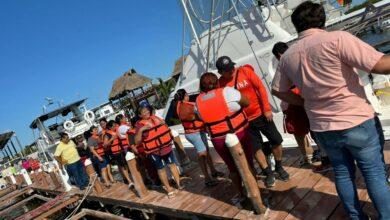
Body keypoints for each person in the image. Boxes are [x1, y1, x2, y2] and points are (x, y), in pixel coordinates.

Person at [271, 1, 390, 219]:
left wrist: (303, 102)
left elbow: (277, 90)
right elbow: (381, 65)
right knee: (373, 173)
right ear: (322, 20)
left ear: (297, 26)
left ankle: (356, 217)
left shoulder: (287, 57)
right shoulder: (338, 39)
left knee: (343, 174)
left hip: (322, 128)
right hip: (356, 120)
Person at [217, 55, 289, 188]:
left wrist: (267, 109)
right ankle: (268, 173)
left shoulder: (245, 71)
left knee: (276, 140)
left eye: (232, 66)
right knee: (256, 148)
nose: (232, 70)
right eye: (227, 69)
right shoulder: (220, 84)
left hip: (261, 114)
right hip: (244, 122)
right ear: (221, 72)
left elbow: (261, 88)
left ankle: (279, 166)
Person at [196, 72, 255, 204]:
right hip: (239, 133)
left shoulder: (198, 102)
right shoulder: (227, 91)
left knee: (232, 168)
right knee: (248, 163)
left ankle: (241, 195)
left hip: (218, 139)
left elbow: (200, 117)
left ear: (201, 86)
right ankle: (255, 192)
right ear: (217, 82)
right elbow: (247, 102)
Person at [272, 42, 314, 165]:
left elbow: (276, 89)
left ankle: (308, 156)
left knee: (298, 131)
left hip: (293, 101)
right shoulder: (299, 60)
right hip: (306, 96)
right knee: (313, 127)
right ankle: (314, 154)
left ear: (278, 55)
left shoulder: (283, 65)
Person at [174, 89, 223, 187]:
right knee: (202, 155)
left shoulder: (179, 106)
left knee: (206, 152)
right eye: (187, 94)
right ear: (185, 96)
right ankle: (207, 179)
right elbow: (198, 116)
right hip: (194, 134)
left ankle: (213, 171)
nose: (188, 96)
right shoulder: (188, 106)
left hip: (197, 132)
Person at [135, 105, 182, 198]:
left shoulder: (156, 118)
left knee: (172, 164)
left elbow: (165, 127)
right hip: (154, 151)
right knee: (161, 169)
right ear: (140, 115)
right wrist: (141, 130)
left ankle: (179, 184)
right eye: (143, 112)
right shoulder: (140, 125)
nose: (146, 112)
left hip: (166, 146)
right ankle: (168, 189)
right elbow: (136, 141)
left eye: (147, 110)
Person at [104, 120, 134, 189]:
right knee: (123, 166)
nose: (115, 127)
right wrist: (111, 139)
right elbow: (105, 145)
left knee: (124, 166)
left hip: (122, 150)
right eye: (114, 126)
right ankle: (129, 181)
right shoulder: (107, 135)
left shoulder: (116, 131)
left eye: (115, 125)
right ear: (110, 127)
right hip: (116, 153)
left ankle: (126, 179)